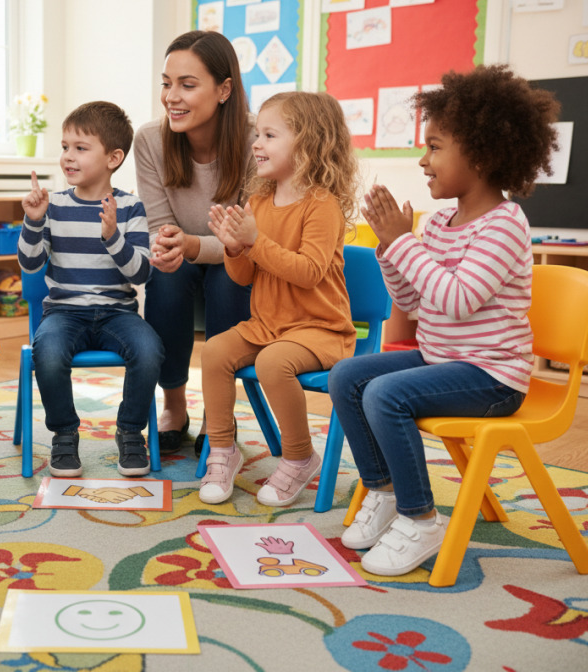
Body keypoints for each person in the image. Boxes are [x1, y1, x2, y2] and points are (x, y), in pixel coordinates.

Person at [329, 65, 561, 577]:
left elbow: (456, 300)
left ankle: (422, 518)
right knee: (348, 376)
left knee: (385, 395)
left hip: (493, 376)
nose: (423, 160)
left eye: (434, 147)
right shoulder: (438, 223)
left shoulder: (504, 226)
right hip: (443, 361)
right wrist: (393, 248)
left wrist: (403, 242)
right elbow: (412, 299)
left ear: (481, 155)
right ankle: (387, 491)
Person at [198, 91, 359, 505]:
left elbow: (308, 272)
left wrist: (255, 241)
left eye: (269, 135)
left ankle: (300, 456)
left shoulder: (322, 206)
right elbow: (244, 276)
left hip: (320, 329)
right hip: (269, 325)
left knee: (273, 362)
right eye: (257, 134)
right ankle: (222, 449)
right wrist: (235, 247)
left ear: (308, 144)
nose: (256, 143)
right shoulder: (258, 202)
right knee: (214, 352)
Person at [18, 101, 164, 477]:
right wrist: (33, 222)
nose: (68, 156)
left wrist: (113, 236)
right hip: (64, 313)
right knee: (47, 353)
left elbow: (141, 274)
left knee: (149, 350)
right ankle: (64, 434)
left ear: (113, 157)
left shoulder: (130, 207)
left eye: (80, 148)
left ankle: (131, 432)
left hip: (118, 314)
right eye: (65, 146)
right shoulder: (53, 206)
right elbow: (31, 265)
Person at [134, 30, 256, 455]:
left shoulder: (257, 140)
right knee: (166, 276)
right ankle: (174, 406)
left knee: (228, 276)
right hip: (184, 260)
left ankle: (218, 414)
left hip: (241, 261)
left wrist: (191, 245)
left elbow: (248, 240)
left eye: (187, 85)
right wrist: (171, 246)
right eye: (167, 83)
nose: (172, 96)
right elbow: (160, 225)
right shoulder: (150, 139)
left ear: (224, 90)